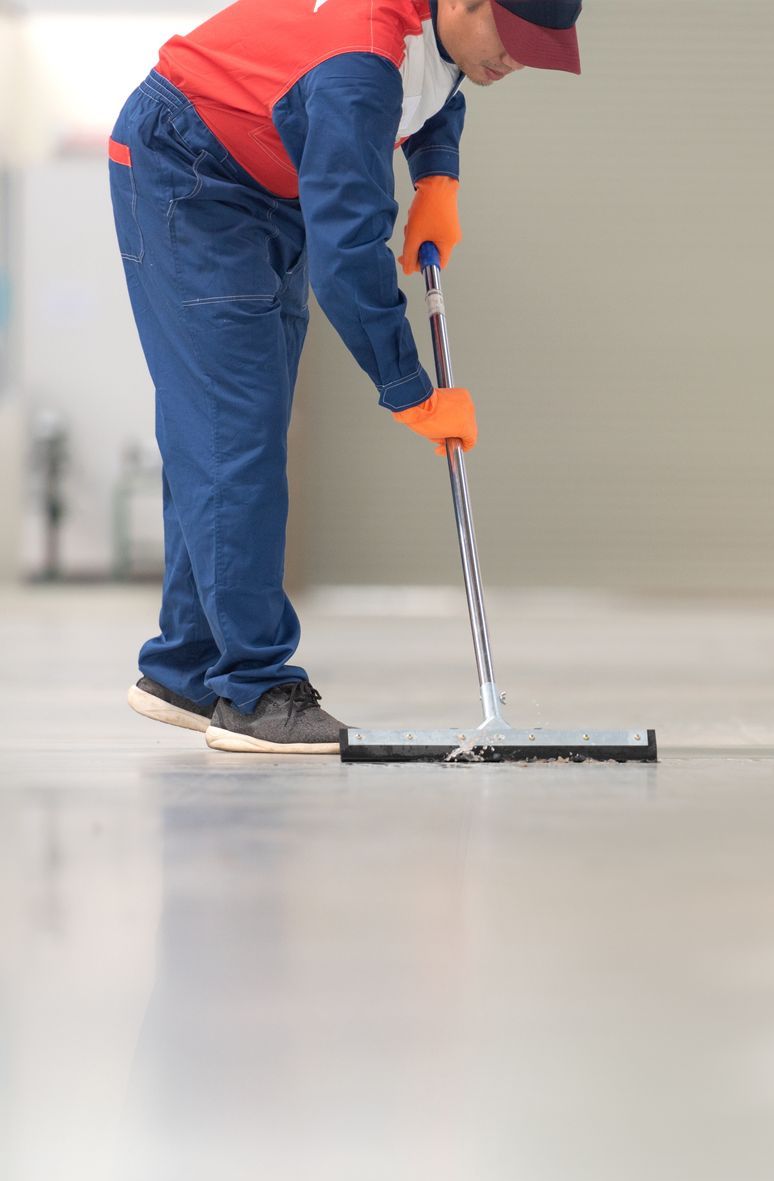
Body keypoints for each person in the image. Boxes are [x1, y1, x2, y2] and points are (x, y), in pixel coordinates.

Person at [110, 0, 582, 754]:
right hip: (192, 169)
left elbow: (432, 88)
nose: (517, 61)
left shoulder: (433, 36)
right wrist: (411, 390)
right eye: (515, 39)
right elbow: (350, 259)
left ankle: (187, 664)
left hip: (266, 174)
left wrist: (438, 177)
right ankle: (256, 691)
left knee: (231, 427)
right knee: (235, 432)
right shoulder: (357, 63)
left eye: (541, 47)